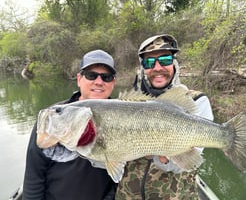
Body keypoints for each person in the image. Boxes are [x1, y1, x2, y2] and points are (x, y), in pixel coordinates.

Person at [116, 34, 214, 200]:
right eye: (149, 62)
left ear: (174, 63)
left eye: (165, 59)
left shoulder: (196, 101)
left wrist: (159, 152)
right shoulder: (128, 103)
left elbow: (187, 164)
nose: (157, 67)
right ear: (143, 68)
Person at [22, 50, 118, 200]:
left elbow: (118, 182)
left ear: (113, 83)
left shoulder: (123, 118)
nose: (99, 82)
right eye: (91, 75)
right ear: (79, 79)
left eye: (106, 77)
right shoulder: (53, 117)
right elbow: (34, 179)